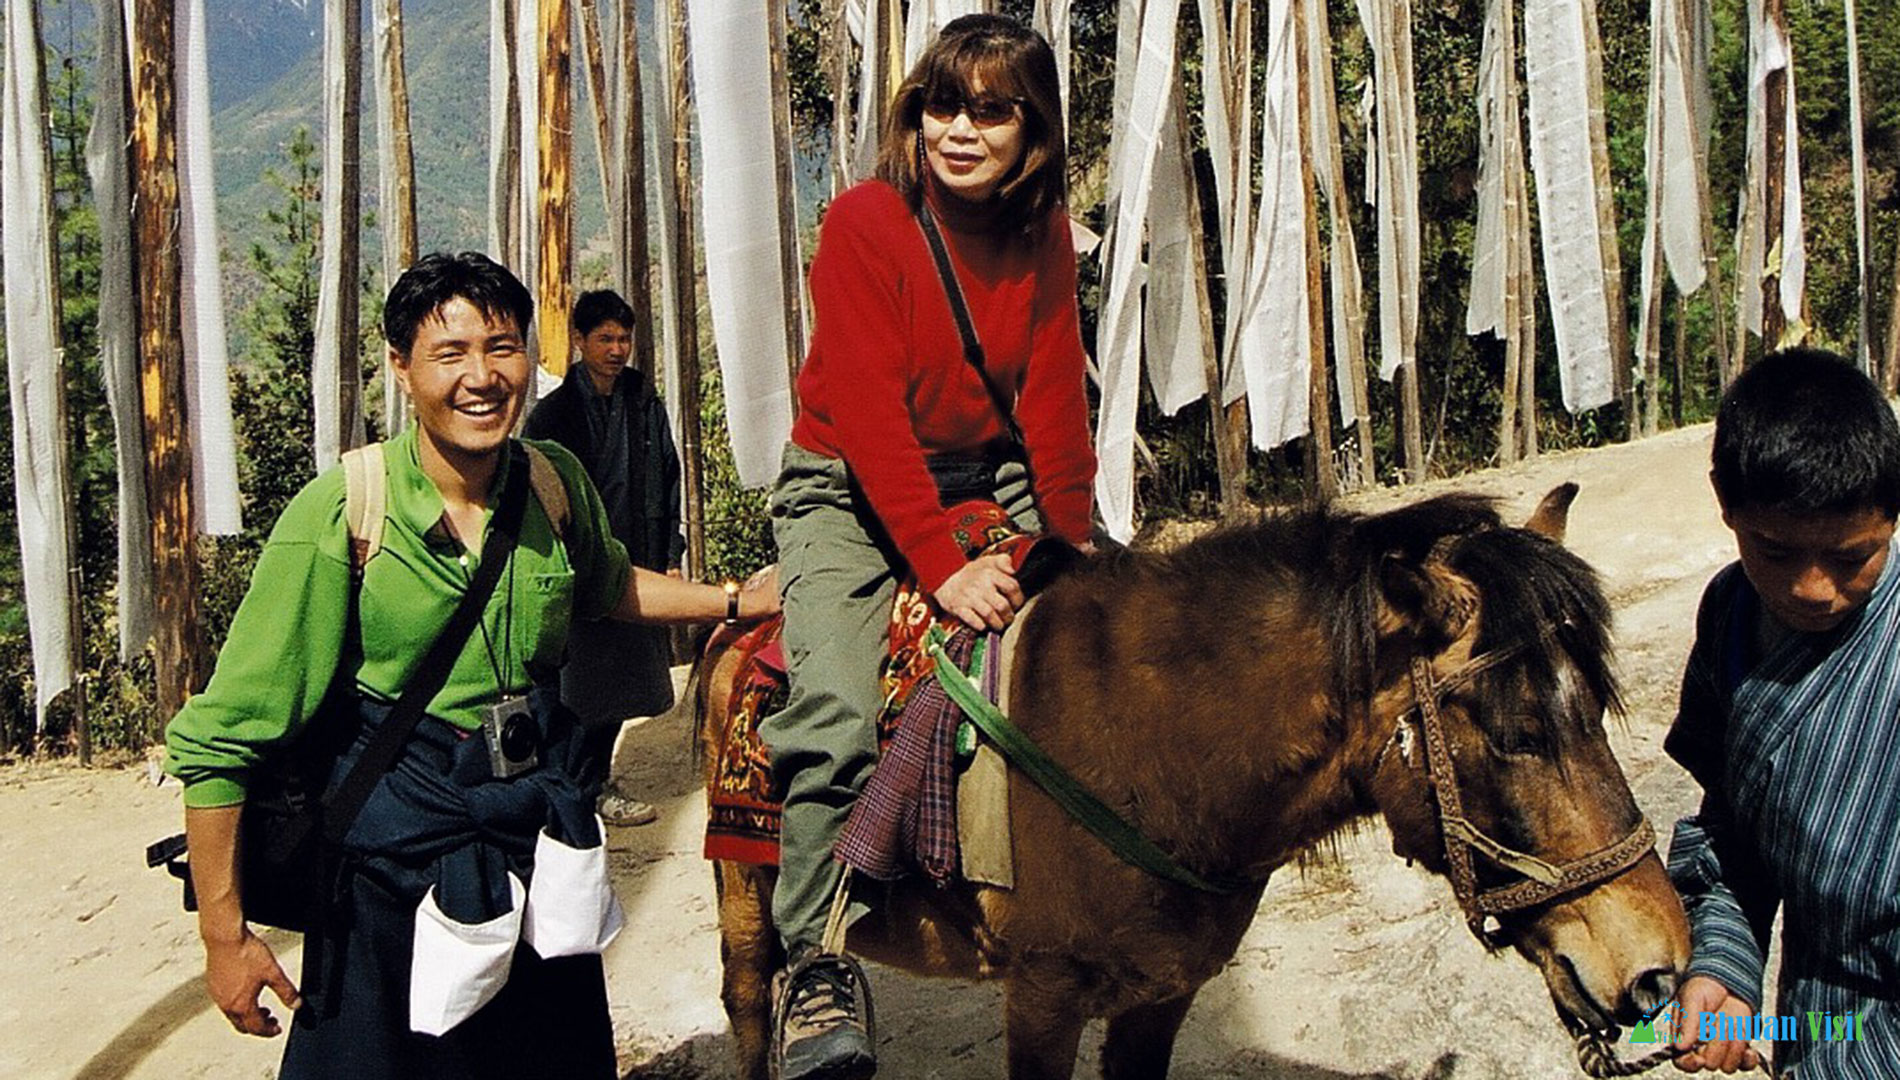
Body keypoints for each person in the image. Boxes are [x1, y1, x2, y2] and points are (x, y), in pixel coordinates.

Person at [164, 252, 775, 1079]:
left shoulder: (552, 485)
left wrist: (737, 601)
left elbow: (609, 584)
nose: (482, 377)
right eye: (450, 354)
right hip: (389, 870)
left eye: (503, 347)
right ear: (401, 367)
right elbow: (223, 737)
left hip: (532, 845)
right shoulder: (347, 509)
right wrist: (225, 937)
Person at [761, 15, 1095, 1079]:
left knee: (1108, 650)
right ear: (915, 114)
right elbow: (865, 412)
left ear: (1030, 127)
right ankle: (811, 960)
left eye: (990, 110)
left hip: (986, 469)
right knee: (835, 715)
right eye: (942, 105)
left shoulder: (1042, 233)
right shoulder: (865, 222)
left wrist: (1072, 551)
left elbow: (1050, 399)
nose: (959, 129)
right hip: (845, 489)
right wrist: (942, 567)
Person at [1664, 347, 1900, 1077]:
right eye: (1775, 551)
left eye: (1853, 556)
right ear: (1725, 503)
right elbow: (1733, 827)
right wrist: (1725, 972)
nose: (1814, 589)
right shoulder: (1732, 614)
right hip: (1819, 1017)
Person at [524, 288, 684, 827]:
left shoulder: (642, 400)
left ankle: (593, 782)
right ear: (579, 341)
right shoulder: (553, 416)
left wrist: (670, 554)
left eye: (624, 339)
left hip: (635, 559)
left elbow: (667, 476)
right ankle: (580, 786)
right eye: (605, 339)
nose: (617, 350)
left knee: (621, 685)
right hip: (577, 569)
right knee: (579, 687)